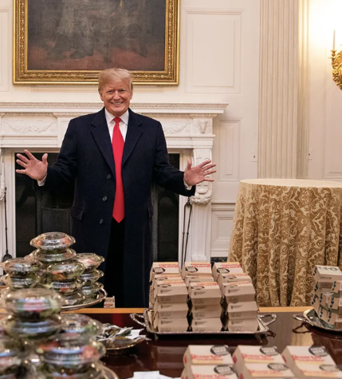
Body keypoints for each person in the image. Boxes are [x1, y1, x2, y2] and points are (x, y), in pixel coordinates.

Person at [16, 68, 216, 307]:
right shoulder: (79, 128)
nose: (117, 96)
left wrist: (185, 179)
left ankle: (131, 329)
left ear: (131, 92)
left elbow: (161, 171)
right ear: (100, 93)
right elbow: (66, 171)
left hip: (135, 225)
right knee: (89, 294)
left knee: (133, 297)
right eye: (110, 91)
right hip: (91, 225)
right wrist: (45, 175)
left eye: (122, 90)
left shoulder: (151, 128)